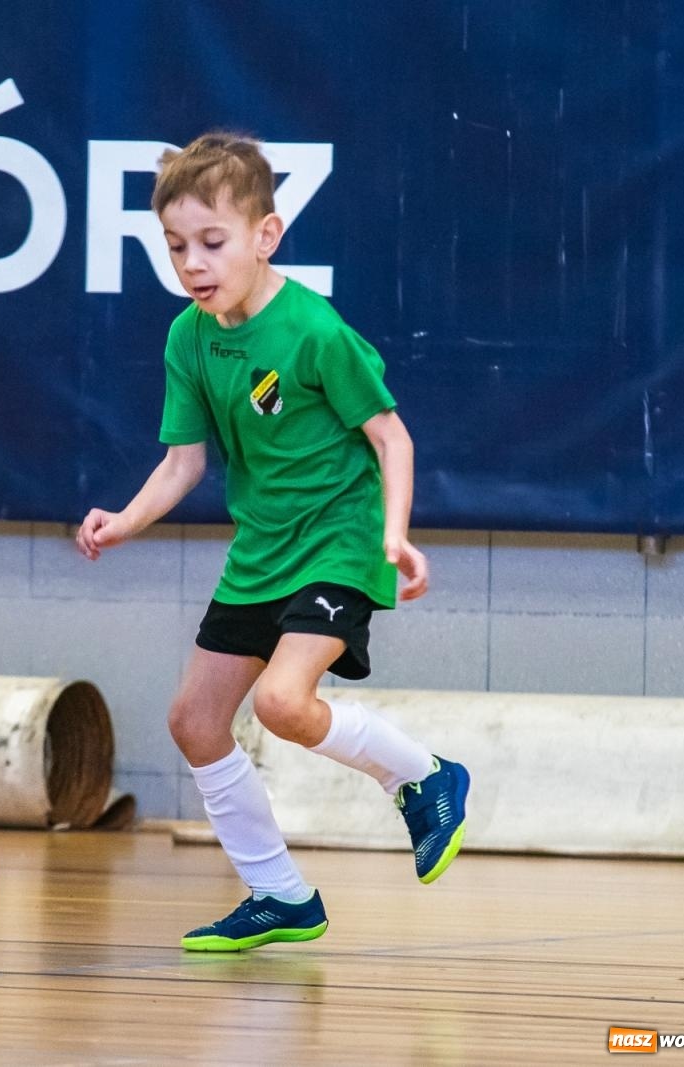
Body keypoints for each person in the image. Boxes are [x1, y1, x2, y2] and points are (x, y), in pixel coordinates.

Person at [75, 132, 469, 952]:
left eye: (212, 242)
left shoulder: (315, 331)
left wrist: (395, 537)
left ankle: (424, 776)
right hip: (262, 550)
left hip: (340, 540)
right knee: (193, 719)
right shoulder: (190, 337)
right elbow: (184, 462)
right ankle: (279, 893)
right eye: (176, 245)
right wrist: (125, 519)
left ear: (266, 235)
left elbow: (392, 439)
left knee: (284, 702)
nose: (192, 262)